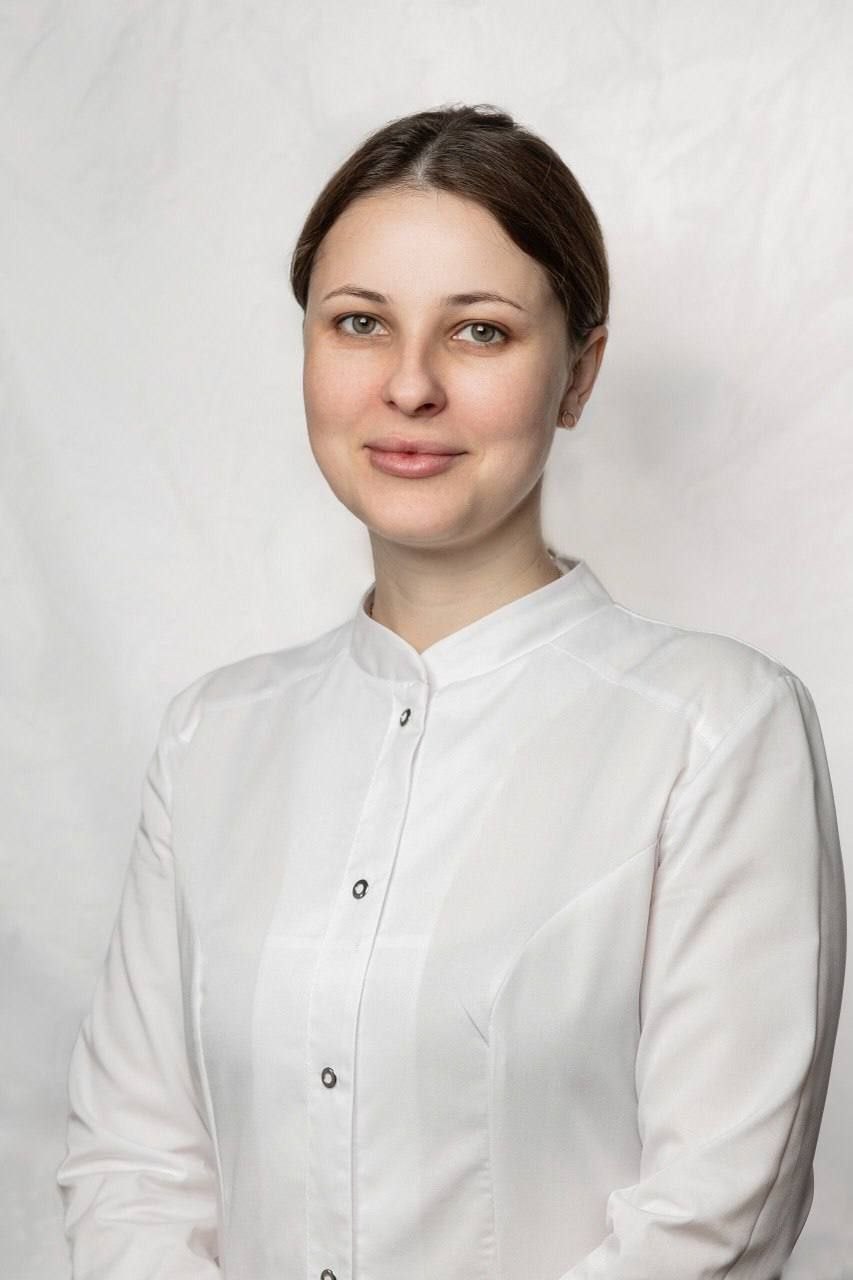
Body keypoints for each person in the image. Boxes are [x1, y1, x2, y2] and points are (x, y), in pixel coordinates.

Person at [56, 103, 846, 1280]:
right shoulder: (211, 738)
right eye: (360, 322)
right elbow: (134, 1166)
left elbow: (709, 1219)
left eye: (479, 331)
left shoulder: (718, 731)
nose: (410, 383)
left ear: (577, 374)